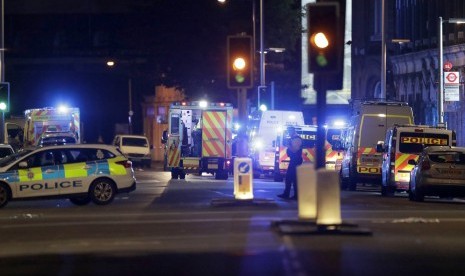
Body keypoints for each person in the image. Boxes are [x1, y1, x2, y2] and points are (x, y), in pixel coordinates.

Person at [278, 127, 303, 200]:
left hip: (295, 161)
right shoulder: (293, 138)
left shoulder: (296, 139)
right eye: (288, 131)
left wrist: (288, 145)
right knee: (294, 179)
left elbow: (295, 150)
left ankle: (288, 194)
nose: (288, 133)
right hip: (294, 160)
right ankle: (294, 195)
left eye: (289, 131)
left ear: (293, 131)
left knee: (289, 178)